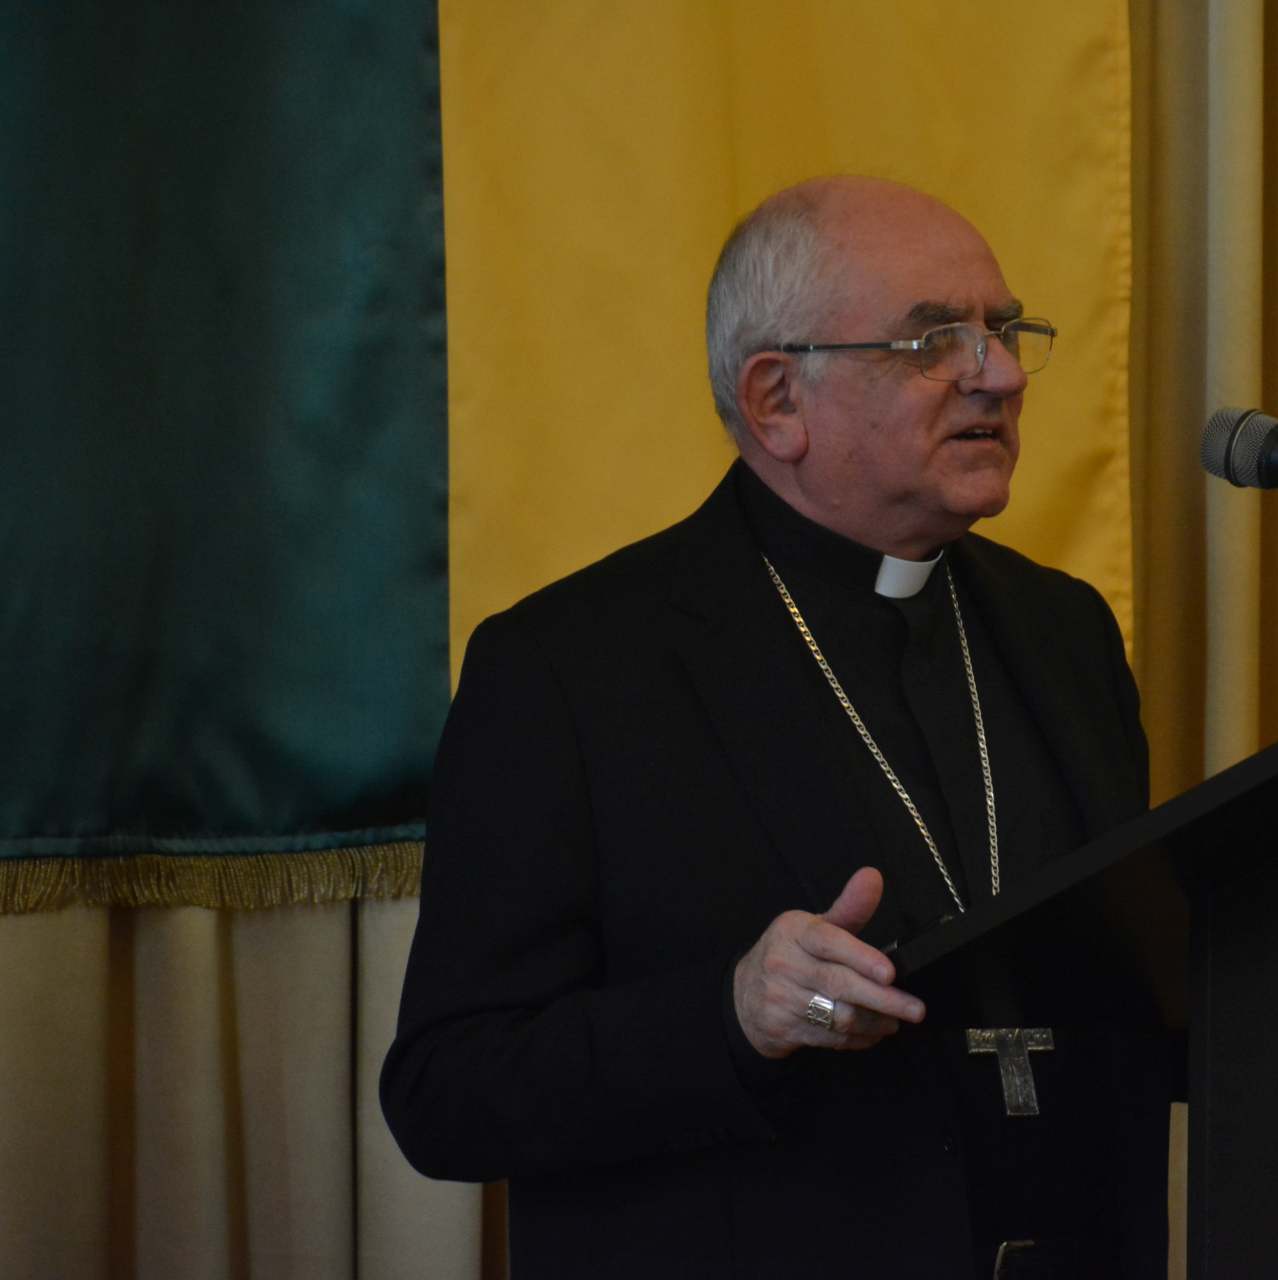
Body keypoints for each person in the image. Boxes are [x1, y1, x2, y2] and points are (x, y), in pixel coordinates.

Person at [381, 176, 1171, 1277]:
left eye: (1003, 330)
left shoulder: (1061, 631)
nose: (998, 374)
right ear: (777, 400)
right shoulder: (571, 667)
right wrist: (730, 1017)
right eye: (935, 341)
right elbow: (447, 1089)